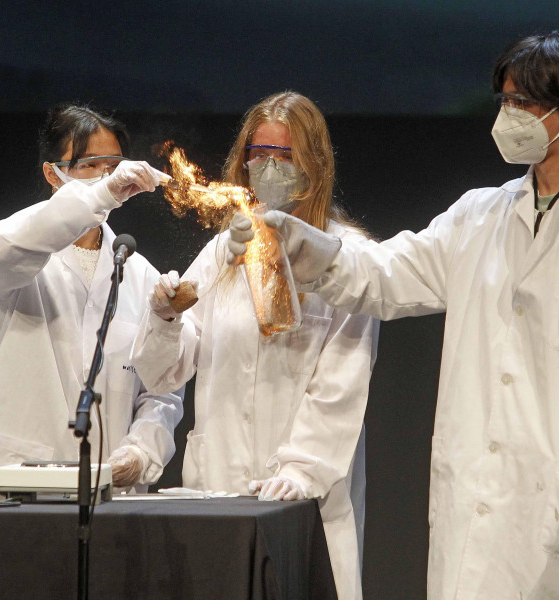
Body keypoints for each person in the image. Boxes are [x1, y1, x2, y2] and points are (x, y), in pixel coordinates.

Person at [231, 31, 559, 600]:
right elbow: (385, 275)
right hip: (477, 521)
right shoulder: (480, 215)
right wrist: (306, 245)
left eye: (522, 103)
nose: (507, 116)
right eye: (503, 101)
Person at [131, 92, 377, 600]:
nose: (267, 167)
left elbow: (342, 382)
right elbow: (166, 374)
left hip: (303, 498)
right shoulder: (226, 249)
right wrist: (166, 316)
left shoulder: (346, 257)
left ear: (314, 162)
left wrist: (300, 469)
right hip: (219, 490)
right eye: (257, 154)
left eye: (283, 155)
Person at [0, 103, 183, 493]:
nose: (106, 176)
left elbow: (161, 391)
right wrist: (102, 194)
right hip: (10, 487)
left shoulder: (139, 273)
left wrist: (141, 451)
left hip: (106, 492)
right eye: (90, 164)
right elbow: (0, 249)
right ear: (53, 172)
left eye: (113, 165)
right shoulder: (15, 247)